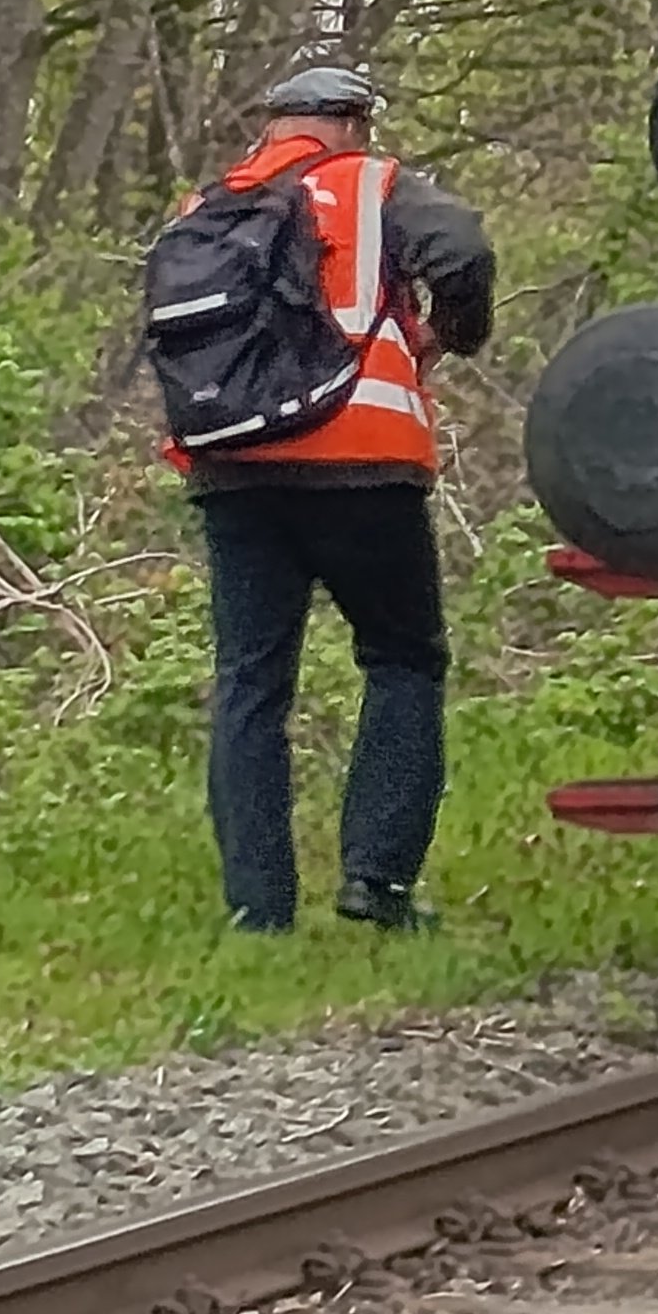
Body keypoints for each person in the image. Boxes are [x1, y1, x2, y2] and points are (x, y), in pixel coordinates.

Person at [178, 65, 496, 935]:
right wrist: (448, 336)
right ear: (352, 123)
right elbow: (463, 252)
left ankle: (258, 913)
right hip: (361, 460)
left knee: (249, 686)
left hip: (235, 468)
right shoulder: (374, 185)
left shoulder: (206, 208)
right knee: (403, 659)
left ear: (273, 125)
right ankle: (377, 882)